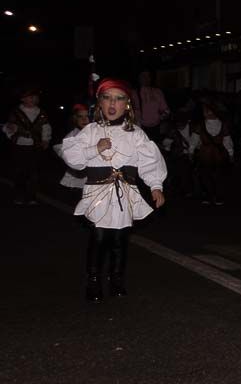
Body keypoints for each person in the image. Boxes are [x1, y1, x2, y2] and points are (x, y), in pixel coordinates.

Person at [61, 78, 167, 303]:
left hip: (125, 194)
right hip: (98, 195)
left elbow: (149, 161)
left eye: (119, 99)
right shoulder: (90, 131)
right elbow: (74, 159)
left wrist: (155, 186)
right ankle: (93, 280)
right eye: (107, 98)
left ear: (127, 104)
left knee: (120, 239)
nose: (112, 104)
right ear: (99, 102)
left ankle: (117, 279)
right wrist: (95, 148)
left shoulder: (136, 134)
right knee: (99, 238)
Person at [4, 87, 52, 205]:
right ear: (23, 99)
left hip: (35, 146)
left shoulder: (41, 113)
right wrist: (11, 132)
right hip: (20, 146)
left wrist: (46, 140)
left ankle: (31, 196)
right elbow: (8, 127)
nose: (34, 99)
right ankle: (19, 195)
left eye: (35, 97)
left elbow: (46, 127)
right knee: (20, 171)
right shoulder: (16, 112)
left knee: (34, 172)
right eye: (30, 97)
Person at [191, 102, 234, 205]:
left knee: (208, 176)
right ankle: (216, 196)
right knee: (215, 176)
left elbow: (194, 140)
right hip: (217, 154)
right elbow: (227, 141)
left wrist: (191, 151)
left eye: (205, 110)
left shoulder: (201, 125)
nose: (204, 112)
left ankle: (210, 196)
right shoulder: (221, 125)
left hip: (207, 154)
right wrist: (231, 154)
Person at [53, 104, 91, 195]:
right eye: (80, 116)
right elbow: (62, 149)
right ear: (75, 119)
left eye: (87, 116)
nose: (84, 119)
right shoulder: (73, 135)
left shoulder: (96, 131)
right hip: (81, 172)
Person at [133, 70, 170, 143]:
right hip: (140, 128)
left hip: (156, 128)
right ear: (139, 78)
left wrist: (162, 118)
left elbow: (166, 110)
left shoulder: (157, 92)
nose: (146, 78)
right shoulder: (133, 93)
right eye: (143, 76)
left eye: (148, 76)